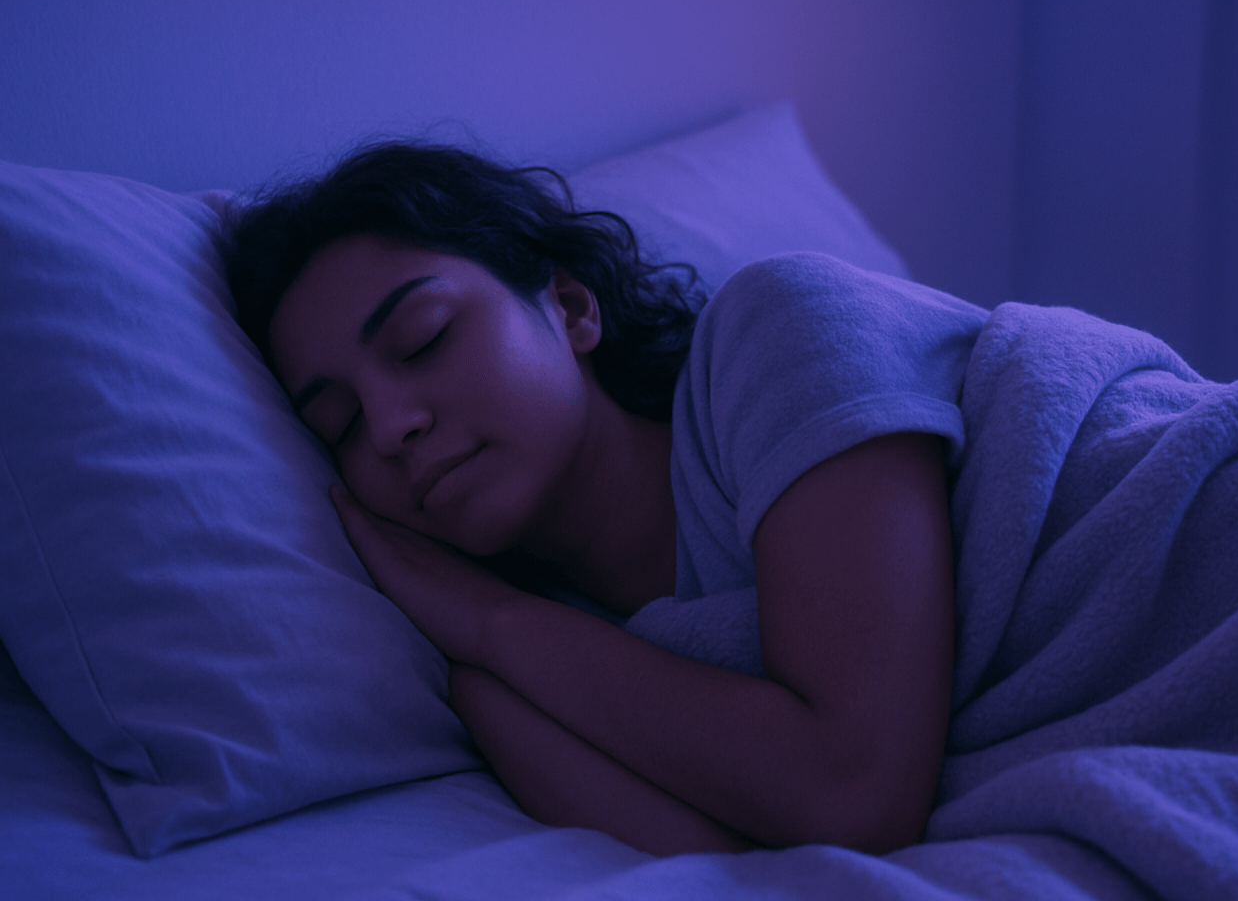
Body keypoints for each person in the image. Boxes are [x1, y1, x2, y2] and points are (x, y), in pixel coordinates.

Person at [224, 140, 980, 857]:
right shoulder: (504, 688)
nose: (390, 428)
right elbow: (749, 878)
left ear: (571, 305)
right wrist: (491, 640)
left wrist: (495, 620)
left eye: (424, 339)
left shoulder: (782, 330)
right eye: (342, 424)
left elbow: (853, 790)